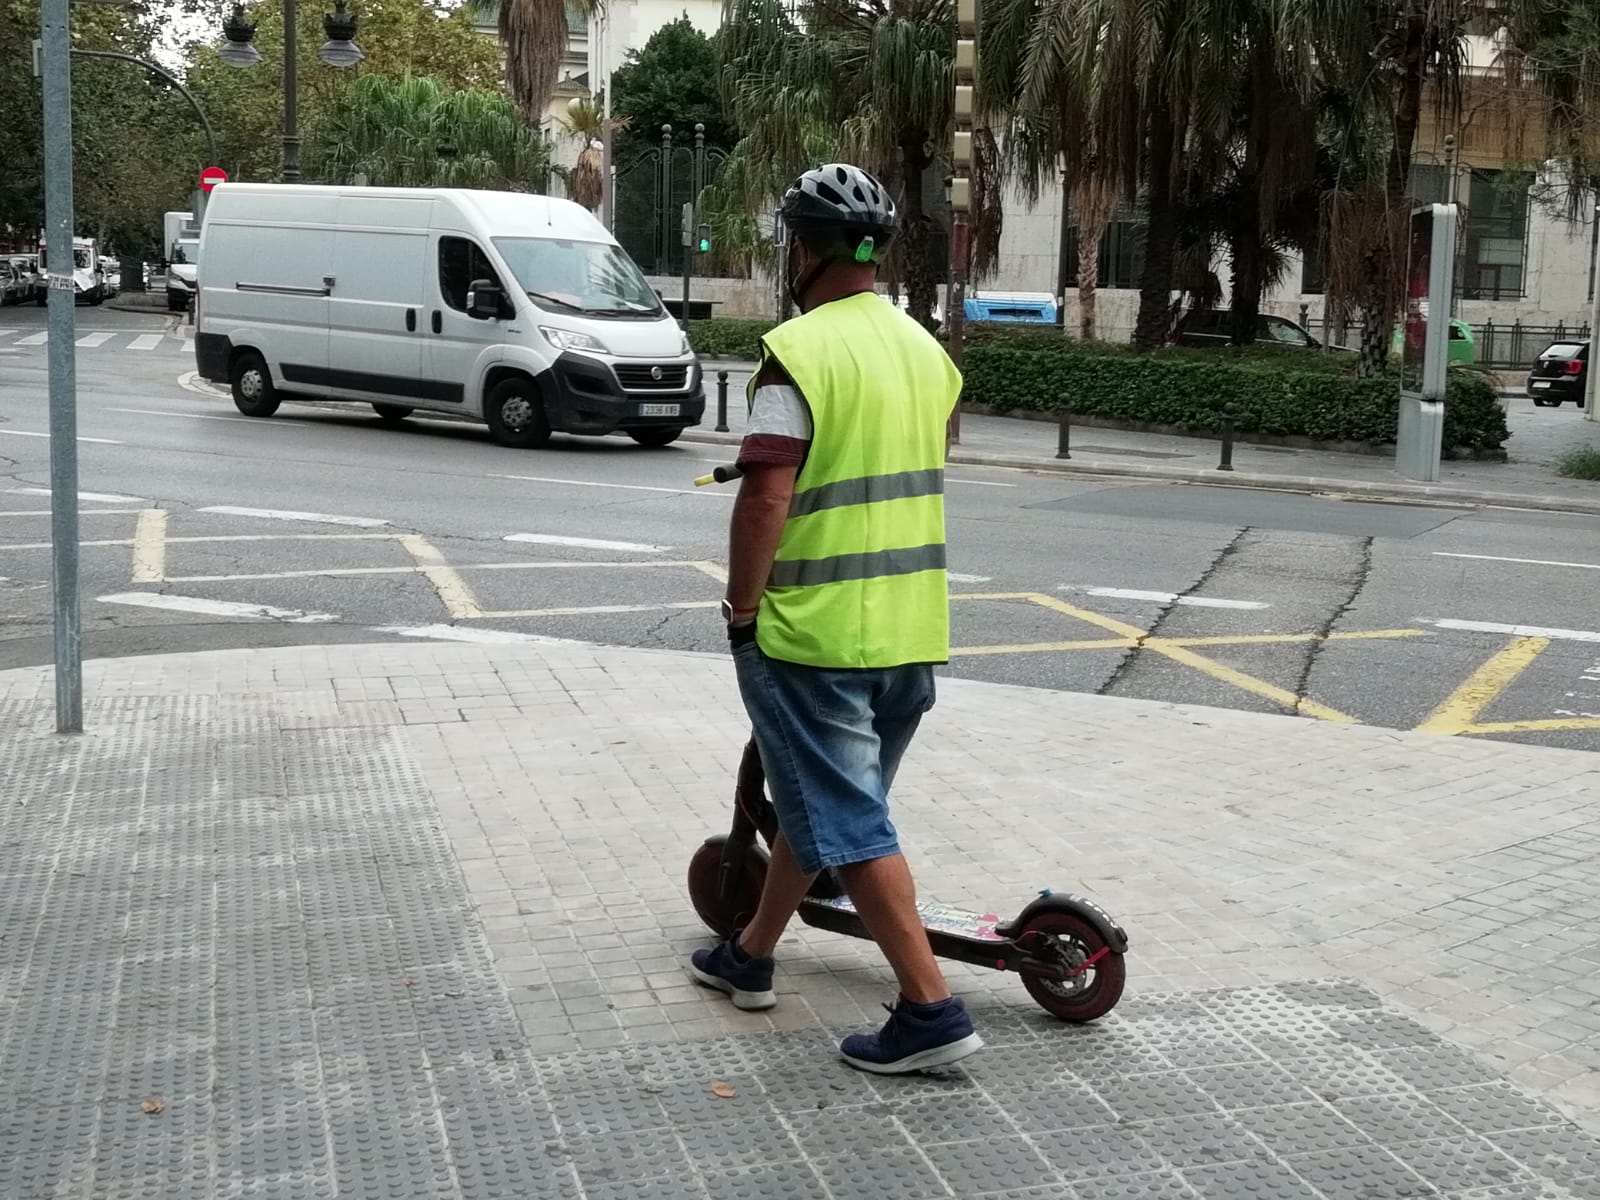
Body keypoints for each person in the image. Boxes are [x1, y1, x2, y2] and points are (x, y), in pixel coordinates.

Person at [688, 163, 978, 1074]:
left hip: (816, 634)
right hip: (909, 629)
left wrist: (742, 608)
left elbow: (767, 498)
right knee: (827, 806)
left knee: (848, 825)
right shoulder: (927, 352)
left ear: (804, 250)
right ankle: (751, 955)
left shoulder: (798, 353)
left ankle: (930, 1010)